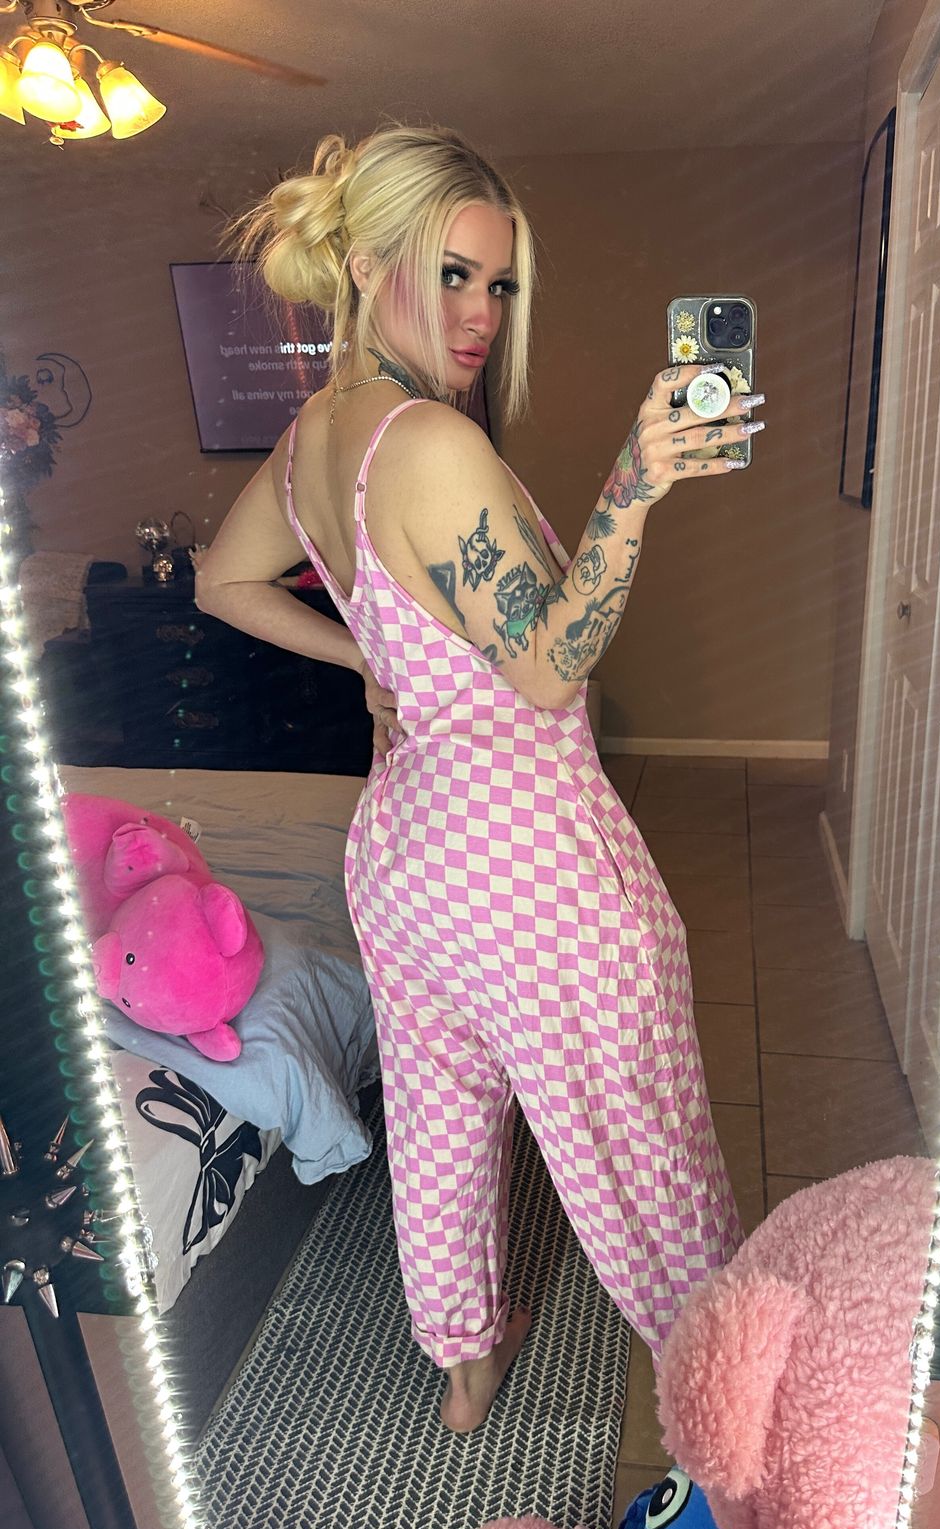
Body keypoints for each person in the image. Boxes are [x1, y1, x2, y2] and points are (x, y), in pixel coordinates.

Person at [196, 123, 763, 1433]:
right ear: (368, 266)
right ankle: (745, 1412)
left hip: (404, 857)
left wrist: (369, 654)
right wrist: (633, 486)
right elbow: (551, 670)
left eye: (499, 284)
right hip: (529, 867)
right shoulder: (430, 447)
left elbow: (224, 582)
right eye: (451, 274)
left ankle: (464, 1369)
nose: (482, 314)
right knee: (645, 1151)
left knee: (443, 1120)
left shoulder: (314, 436)